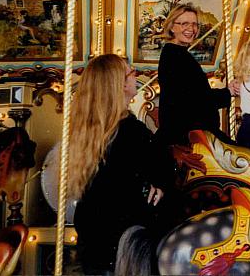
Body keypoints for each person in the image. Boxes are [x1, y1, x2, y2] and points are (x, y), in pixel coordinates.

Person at [69, 54, 174, 275]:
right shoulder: (130, 132)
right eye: (131, 72)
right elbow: (162, 162)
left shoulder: (92, 132)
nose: (136, 74)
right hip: (123, 240)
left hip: (95, 237)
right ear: (120, 84)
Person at [155, 4, 239, 146]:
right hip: (188, 135)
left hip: (193, 131)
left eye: (194, 24)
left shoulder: (178, 54)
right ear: (171, 27)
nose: (191, 29)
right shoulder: (175, 57)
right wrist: (227, 92)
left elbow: (195, 94)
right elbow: (195, 100)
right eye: (184, 24)